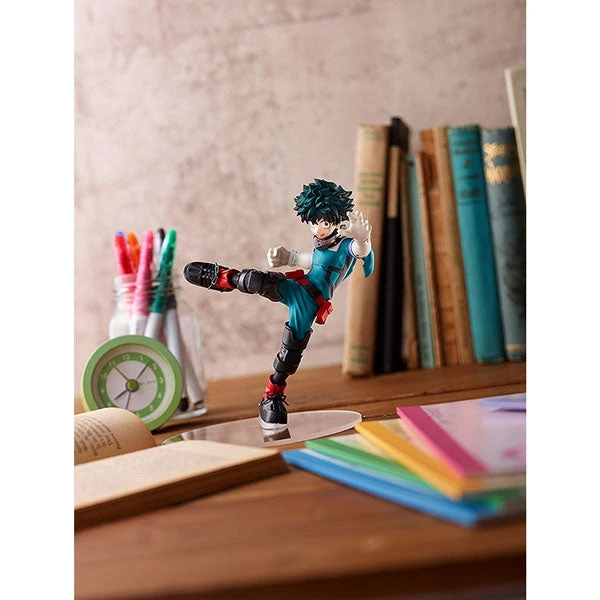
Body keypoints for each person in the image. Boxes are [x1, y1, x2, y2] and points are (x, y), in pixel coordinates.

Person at [183, 178, 374, 429]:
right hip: (300, 286)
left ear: (338, 220)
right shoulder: (322, 243)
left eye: (325, 223)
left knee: (290, 352)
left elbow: (360, 251)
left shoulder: (346, 244)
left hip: (310, 303)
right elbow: (315, 262)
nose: (318, 229)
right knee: (258, 280)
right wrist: (290, 257)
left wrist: (363, 239)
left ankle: (271, 395)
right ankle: (224, 278)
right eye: (313, 223)